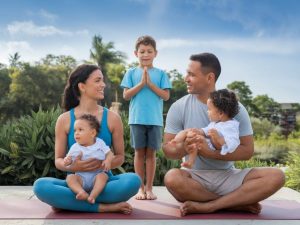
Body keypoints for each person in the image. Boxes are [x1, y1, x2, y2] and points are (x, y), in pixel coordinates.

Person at [162, 53, 285, 215]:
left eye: (191, 74)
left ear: (209, 77)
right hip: (194, 177)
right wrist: (186, 147)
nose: (186, 78)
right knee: (172, 178)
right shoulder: (178, 107)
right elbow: (167, 149)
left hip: (228, 176)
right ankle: (233, 203)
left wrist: (210, 152)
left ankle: (209, 205)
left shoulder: (236, 108)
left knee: (277, 176)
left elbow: (247, 151)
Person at [33, 64, 141, 214]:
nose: (103, 84)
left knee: (133, 180)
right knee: (40, 186)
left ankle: (71, 203)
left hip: (103, 181)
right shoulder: (64, 120)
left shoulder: (112, 118)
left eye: (102, 80)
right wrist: (73, 167)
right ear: (82, 86)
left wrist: (104, 163)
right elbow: (58, 160)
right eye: (97, 81)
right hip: (76, 182)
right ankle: (104, 207)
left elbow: (120, 157)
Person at [121, 35, 172, 200]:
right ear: (136, 53)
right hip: (136, 119)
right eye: (142, 51)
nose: (145, 54)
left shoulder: (161, 74)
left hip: (155, 120)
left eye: (149, 51)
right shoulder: (131, 73)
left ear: (155, 53)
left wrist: (150, 84)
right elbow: (126, 95)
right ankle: (140, 189)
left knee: (151, 154)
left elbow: (165, 96)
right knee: (138, 153)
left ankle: (149, 188)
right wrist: (141, 84)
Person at [170, 89, 240, 168]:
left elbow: (232, 143)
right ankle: (176, 141)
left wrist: (218, 139)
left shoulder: (231, 126)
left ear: (220, 113)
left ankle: (190, 161)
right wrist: (197, 131)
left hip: (214, 149)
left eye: (209, 109)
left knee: (197, 139)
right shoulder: (214, 124)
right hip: (208, 144)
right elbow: (205, 131)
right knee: (190, 133)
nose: (207, 111)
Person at [64, 114, 114, 204]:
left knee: (103, 176)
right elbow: (68, 161)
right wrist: (67, 161)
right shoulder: (75, 147)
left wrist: (108, 160)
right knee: (70, 177)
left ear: (92, 133)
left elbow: (110, 154)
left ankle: (93, 196)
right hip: (81, 178)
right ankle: (81, 192)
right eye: (75, 130)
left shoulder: (99, 143)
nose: (76, 133)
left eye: (80, 130)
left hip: (96, 176)